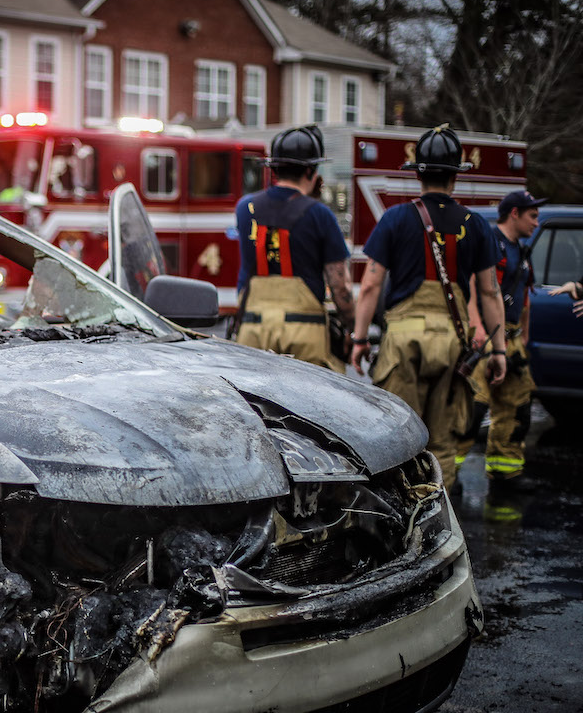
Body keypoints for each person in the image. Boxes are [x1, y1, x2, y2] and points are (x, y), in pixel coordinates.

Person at [350, 125, 508, 490]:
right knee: (442, 442)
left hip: (403, 343)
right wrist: (499, 350)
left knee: (398, 441)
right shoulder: (476, 225)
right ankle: (439, 519)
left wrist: (359, 340)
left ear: (417, 172)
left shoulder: (394, 219)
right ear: (456, 175)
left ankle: (399, 523)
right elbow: (489, 293)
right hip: (454, 345)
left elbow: (371, 283)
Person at [233, 125, 354, 370]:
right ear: (311, 170)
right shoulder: (320, 214)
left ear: (274, 168)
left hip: (253, 331)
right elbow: (340, 287)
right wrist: (353, 329)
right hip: (305, 333)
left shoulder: (245, 208)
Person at [455, 190, 544, 486]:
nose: (537, 222)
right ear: (514, 213)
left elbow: (525, 294)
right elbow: (475, 289)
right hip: (486, 336)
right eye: (532, 215)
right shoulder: (491, 244)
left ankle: (507, 472)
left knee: (517, 408)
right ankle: (447, 478)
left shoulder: (523, 251)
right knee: (472, 409)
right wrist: (478, 327)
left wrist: (524, 334)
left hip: (512, 338)